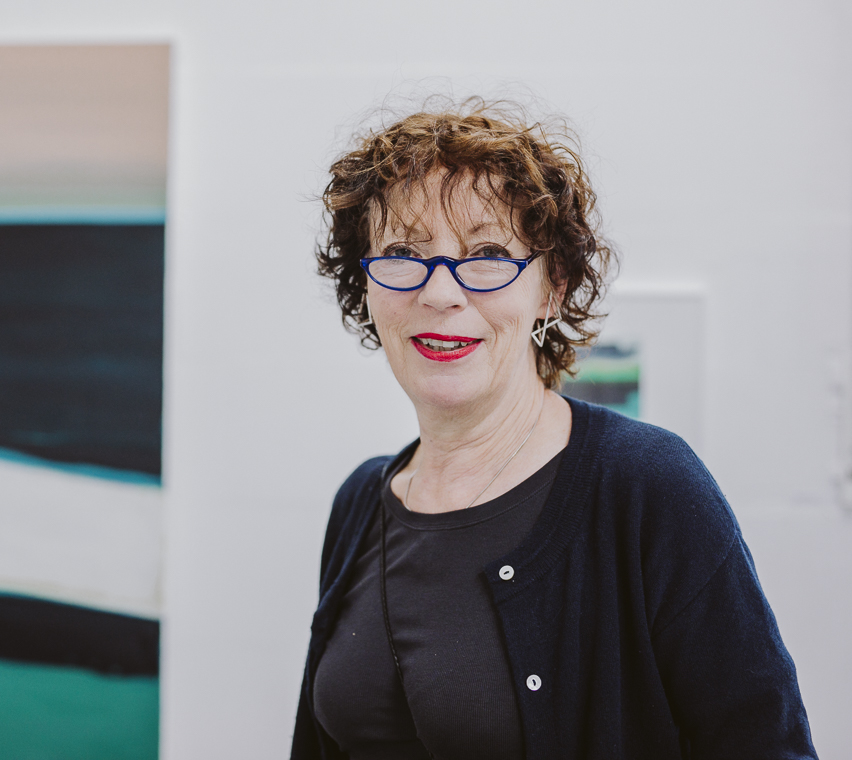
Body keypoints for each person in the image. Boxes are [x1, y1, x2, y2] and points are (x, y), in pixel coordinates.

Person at [291, 100, 816, 760]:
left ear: (552, 288)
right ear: (365, 283)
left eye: (487, 253)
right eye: (402, 252)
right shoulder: (362, 500)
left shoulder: (647, 487)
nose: (440, 292)